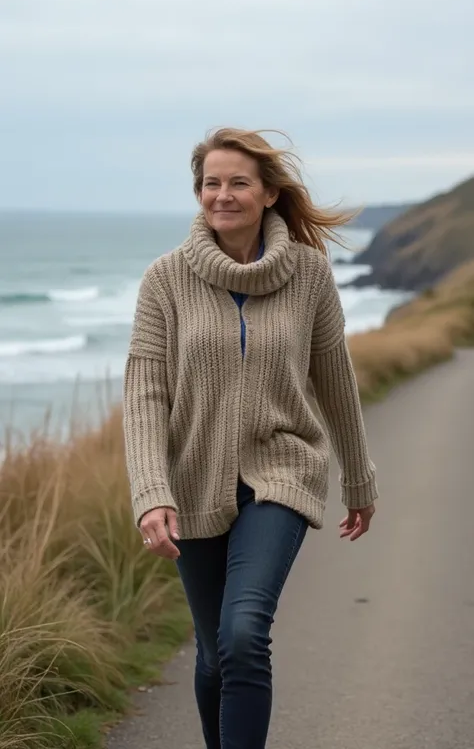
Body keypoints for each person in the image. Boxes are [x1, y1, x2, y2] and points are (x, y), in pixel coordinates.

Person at [123, 128, 378, 749]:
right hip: (194, 481)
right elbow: (145, 394)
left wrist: (359, 477)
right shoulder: (165, 280)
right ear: (198, 193)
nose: (223, 194)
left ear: (267, 195)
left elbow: (335, 381)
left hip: (282, 473)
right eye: (212, 183)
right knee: (214, 654)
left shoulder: (310, 276)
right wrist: (151, 492)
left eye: (238, 182)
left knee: (243, 634)